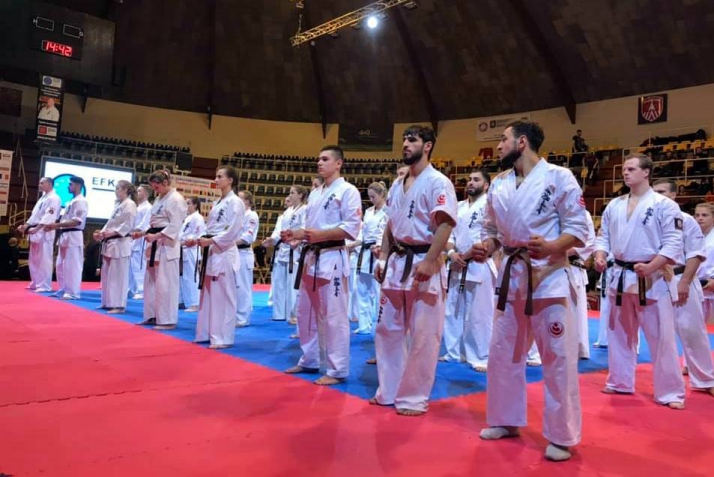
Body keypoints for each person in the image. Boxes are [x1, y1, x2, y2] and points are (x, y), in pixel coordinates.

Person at [475, 120, 588, 462]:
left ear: (522, 142)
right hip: (511, 277)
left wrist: (553, 246)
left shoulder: (559, 177)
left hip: (548, 277)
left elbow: (578, 228)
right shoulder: (499, 183)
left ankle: (562, 435)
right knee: (502, 352)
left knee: (557, 358)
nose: (498, 146)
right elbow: (491, 228)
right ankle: (505, 420)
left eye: (503, 139)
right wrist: (487, 244)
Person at [371, 125, 457, 416]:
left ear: (428, 146)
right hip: (397, 261)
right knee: (387, 329)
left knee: (423, 335)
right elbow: (391, 224)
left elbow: (446, 223)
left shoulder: (438, 182)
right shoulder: (398, 183)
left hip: (423, 261)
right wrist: (383, 258)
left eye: (412, 140)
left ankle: (413, 397)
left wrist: (431, 260)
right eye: (404, 140)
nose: (406, 144)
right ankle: (389, 391)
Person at [594, 154, 685, 410]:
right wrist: (600, 255)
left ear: (646, 172)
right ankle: (620, 381)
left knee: (661, 338)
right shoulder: (614, 205)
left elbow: (673, 243)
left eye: (631, 168)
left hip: (651, 278)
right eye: (624, 169)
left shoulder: (664, 205)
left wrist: (652, 266)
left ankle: (670, 392)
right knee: (619, 333)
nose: (625, 172)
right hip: (620, 276)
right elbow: (603, 236)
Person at [282, 145, 362, 386]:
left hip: (332, 256)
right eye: (318, 159)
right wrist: (296, 234)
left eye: (325, 159)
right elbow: (311, 229)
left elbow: (351, 228)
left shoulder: (348, 191)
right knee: (305, 312)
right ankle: (309, 359)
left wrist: (319, 235)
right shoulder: (316, 193)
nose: (319, 162)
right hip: (311, 257)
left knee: (334, 316)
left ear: (338, 163)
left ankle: (337, 369)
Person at [653, 182, 714, 396]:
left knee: (692, 330)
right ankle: (666, 382)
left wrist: (685, 282)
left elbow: (695, 254)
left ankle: (705, 379)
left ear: (674, 194)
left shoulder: (686, 220)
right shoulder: (650, 218)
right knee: (661, 334)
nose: (658, 196)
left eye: (662, 192)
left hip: (681, 276)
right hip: (656, 279)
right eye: (655, 192)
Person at [441, 170, 496, 372]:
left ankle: (481, 356)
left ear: (486, 185)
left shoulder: (490, 205)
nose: (470, 183)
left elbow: (493, 235)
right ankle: (454, 352)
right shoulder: (459, 206)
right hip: (457, 264)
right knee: (453, 311)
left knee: (479, 314)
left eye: (476, 180)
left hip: (479, 264)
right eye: (469, 180)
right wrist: (452, 253)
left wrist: (465, 256)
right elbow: (448, 235)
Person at [192, 166, 245, 349]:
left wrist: (212, 240)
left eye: (220, 176)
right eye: (216, 176)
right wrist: (202, 239)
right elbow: (211, 227)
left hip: (224, 251)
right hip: (212, 249)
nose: (216, 179)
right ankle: (206, 332)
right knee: (208, 294)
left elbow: (234, 229)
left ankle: (223, 337)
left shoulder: (236, 202)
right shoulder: (218, 202)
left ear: (230, 180)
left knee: (224, 295)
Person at [136, 170, 187, 330]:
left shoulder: (176, 199)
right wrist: (143, 233)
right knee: (150, 282)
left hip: (167, 244)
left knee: (166, 283)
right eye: (153, 187)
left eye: (157, 187)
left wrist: (157, 236)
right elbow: (154, 222)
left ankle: (167, 320)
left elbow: (175, 225)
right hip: (154, 242)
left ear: (165, 183)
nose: (155, 190)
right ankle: (152, 315)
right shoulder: (159, 198)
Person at [263, 186, 308, 324]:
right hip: (282, 250)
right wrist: (272, 239)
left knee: (292, 284)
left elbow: (306, 229)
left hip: (295, 251)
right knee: (279, 283)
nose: (290, 195)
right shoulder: (287, 211)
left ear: (300, 195)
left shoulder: (304, 210)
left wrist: (298, 241)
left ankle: (292, 315)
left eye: (292, 193)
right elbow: (280, 231)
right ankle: (279, 313)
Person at [94, 180, 137, 313]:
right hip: (110, 242)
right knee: (107, 274)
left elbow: (128, 225)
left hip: (120, 242)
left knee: (118, 276)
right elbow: (110, 223)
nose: (116, 191)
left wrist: (111, 233)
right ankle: (107, 302)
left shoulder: (130, 204)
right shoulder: (119, 205)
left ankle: (119, 305)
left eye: (118, 188)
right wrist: (101, 233)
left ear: (125, 190)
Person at [352, 182, 389, 335]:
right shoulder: (368, 211)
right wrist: (353, 244)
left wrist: (380, 246)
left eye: (373, 196)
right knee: (361, 290)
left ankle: (380, 325)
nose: (371, 199)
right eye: (369, 197)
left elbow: (386, 232)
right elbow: (363, 234)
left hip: (379, 253)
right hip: (365, 252)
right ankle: (364, 325)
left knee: (378, 291)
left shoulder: (388, 211)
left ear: (382, 194)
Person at [46, 176, 88, 300]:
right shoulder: (71, 201)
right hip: (64, 234)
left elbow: (76, 221)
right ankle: (64, 288)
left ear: (78, 186)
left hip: (74, 235)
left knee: (72, 265)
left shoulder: (80, 201)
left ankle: (73, 292)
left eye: (71, 184)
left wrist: (56, 225)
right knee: (60, 265)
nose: (68, 186)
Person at [17, 177, 61, 292]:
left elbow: (49, 216)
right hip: (35, 228)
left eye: (42, 183)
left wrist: (37, 228)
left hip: (44, 229)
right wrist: (26, 226)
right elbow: (34, 215)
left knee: (44, 259)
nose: (39, 185)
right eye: (39, 183)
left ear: (49, 185)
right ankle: (35, 282)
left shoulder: (54, 198)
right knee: (34, 259)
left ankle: (44, 285)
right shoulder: (43, 197)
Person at [567, 210, 596, 359]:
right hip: (548, 266)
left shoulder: (582, 213)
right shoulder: (546, 207)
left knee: (576, 311)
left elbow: (589, 242)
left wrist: (562, 251)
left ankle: (579, 348)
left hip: (573, 265)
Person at [235, 191, 259, 327]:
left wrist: (228, 243)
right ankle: (234, 315)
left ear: (248, 201)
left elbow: (247, 237)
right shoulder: (237, 215)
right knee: (234, 286)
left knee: (243, 287)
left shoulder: (251, 215)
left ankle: (242, 318)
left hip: (244, 253)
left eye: (240, 198)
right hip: (234, 252)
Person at [179, 197, 205, 312]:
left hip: (191, 249)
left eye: (188, 203)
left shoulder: (198, 218)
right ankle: (184, 300)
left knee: (192, 276)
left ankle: (195, 303)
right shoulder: (187, 218)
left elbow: (200, 234)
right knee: (183, 277)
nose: (186, 205)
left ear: (195, 205)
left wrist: (191, 240)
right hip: (183, 249)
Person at [129, 185, 152, 299]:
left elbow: (145, 225)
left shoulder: (148, 207)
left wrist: (134, 231)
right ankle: (132, 289)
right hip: (133, 238)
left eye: (139, 191)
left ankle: (141, 290)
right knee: (132, 265)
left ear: (146, 193)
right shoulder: (138, 207)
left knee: (139, 265)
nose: (137, 192)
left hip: (141, 238)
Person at [696, 202, 714, 323]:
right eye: (697, 215)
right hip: (695, 286)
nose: (700, 218)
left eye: (704, 215)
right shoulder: (689, 235)